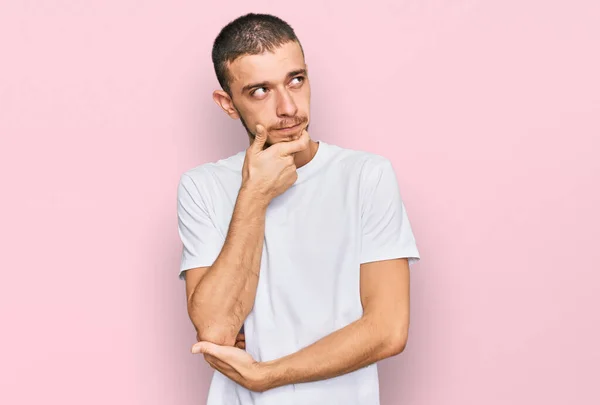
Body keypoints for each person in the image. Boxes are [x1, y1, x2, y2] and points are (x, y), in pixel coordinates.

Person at [176, 12, 421, 405]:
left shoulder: (366, 176)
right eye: (259, 91)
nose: (287, 106)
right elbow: (216, 331)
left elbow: (389, 329)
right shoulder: (202, 187)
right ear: (228, 104)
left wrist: (266, 375)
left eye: (296, 79)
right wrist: (254, 195)